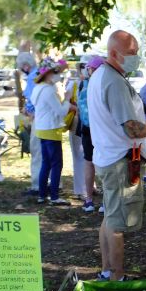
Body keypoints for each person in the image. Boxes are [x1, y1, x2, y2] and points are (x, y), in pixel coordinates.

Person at [87, 30, 146, 282]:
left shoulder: (102, 75)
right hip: (120, 159)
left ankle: (108, 269)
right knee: (117, 223)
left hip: (110, 156)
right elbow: (132, 128)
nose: (136, 57)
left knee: (110, 216)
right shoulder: (113, 80)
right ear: (113, 53)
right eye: (131, 53)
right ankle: (117, 277)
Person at [30, 58, 74, 205]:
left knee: (46, 163)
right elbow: (61, 112)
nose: (58, 74)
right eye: (55, 71)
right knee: (56, 164)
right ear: (48, 73)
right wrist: (67, 99)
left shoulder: (38, 87)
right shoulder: (48, 90)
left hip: (42, 129)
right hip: (51, 130)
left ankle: (42, 195)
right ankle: (54, 196)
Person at [77, 55, 106, 212]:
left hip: (86, 128)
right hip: (101, 128)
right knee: (104, 163)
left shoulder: (83, 83)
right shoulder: (103, 83)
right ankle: (105, 202)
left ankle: (88, 200)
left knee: (89, 163)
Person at [17, 52, 41, 194]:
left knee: (37, 151)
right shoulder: (38, 74)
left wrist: (27, 111)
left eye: (21, 66)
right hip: (42, 118)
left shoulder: (33, 77)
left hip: (37, 118)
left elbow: (33, 99)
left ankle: (37, 185)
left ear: (25, 65)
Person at [66, 59, 87, 199]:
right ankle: (81, 190)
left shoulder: (94, 84)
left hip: (91, 124)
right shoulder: (74, 84)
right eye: (83, 66)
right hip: (77, 123)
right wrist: (78, 109)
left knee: (89, 157)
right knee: (79, 156)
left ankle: (90, 186)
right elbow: (66, 103)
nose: (86, 69)